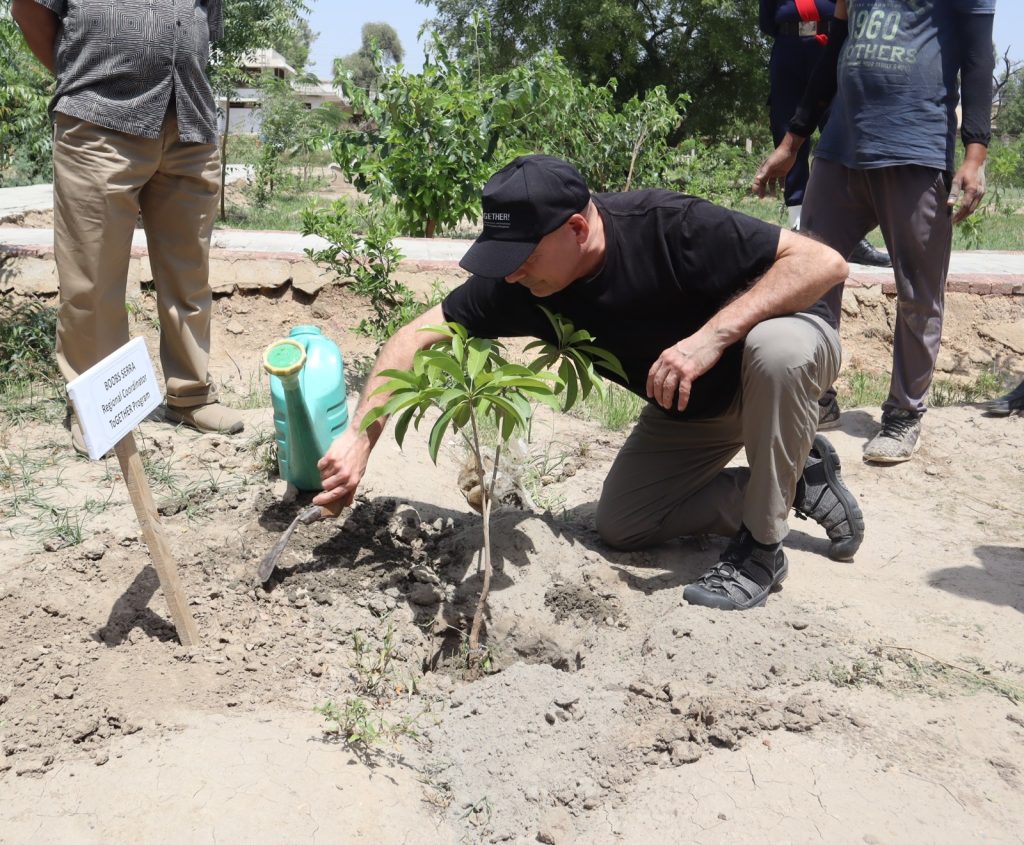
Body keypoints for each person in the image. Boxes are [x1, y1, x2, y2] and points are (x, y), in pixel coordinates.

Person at [313, 154, 866, 611]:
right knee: (625, 523)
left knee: (776, 350)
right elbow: (411, 338)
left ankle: (761, 550)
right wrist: (359, 440)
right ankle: (796, 478)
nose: (511, 273)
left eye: (524, 257)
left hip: (781, 366)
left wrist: (711, 338)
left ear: (577, 229)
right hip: (693, 407)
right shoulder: (522, 283)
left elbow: (824, 263)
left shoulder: (669, 224)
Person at [754, 0, 995, 463]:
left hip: (915, 147)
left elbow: (978, 58)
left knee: (918, 293)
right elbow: (834, 51)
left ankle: (904, 413)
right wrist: (792, 141)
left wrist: (975, 154)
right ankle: (817, 397)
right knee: (806, 275)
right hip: (840, 146)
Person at [11, 0, 243, 454]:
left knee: (189, 274)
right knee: (92, 279)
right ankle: (97, 409)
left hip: (190, 120)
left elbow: (200, 24)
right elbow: (27, 9)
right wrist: (85, 76)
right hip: (99, 116)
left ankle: (190, 395)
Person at [758, 0, 891, 277]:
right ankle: (798, 227)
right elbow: (767, 21)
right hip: (788, 50)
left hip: (831, 45)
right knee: (787, 133)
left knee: (841, 133)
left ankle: (853, 237)